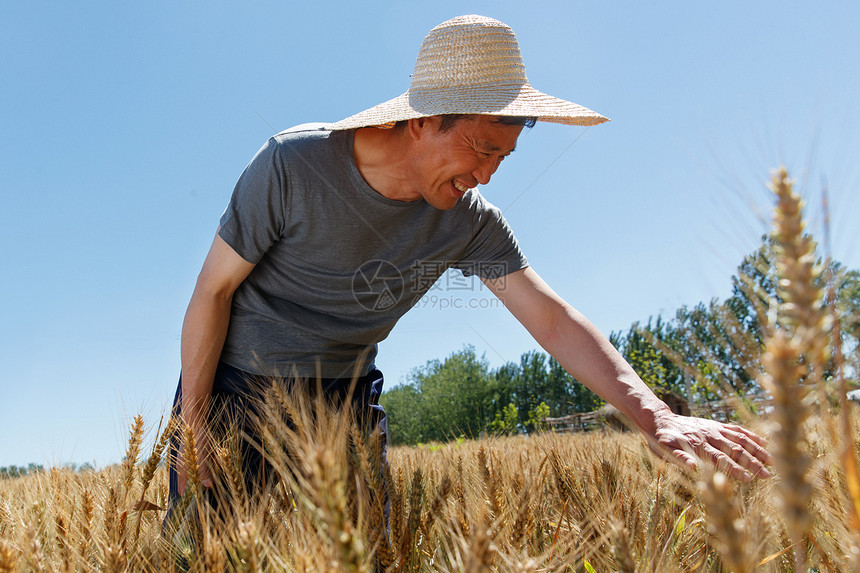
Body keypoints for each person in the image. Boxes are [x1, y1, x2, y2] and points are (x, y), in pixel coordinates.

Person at [168, 14, 772, 514]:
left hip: (345, 399)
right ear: (424, 120)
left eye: (503, 157)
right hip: (235, 390)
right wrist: (193, 428)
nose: (486, 174)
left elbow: (552, 319)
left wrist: (657, 418)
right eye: (482, 149)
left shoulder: (469, 221)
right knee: (205, 551)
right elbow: (212, 294)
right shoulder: (292, 166)